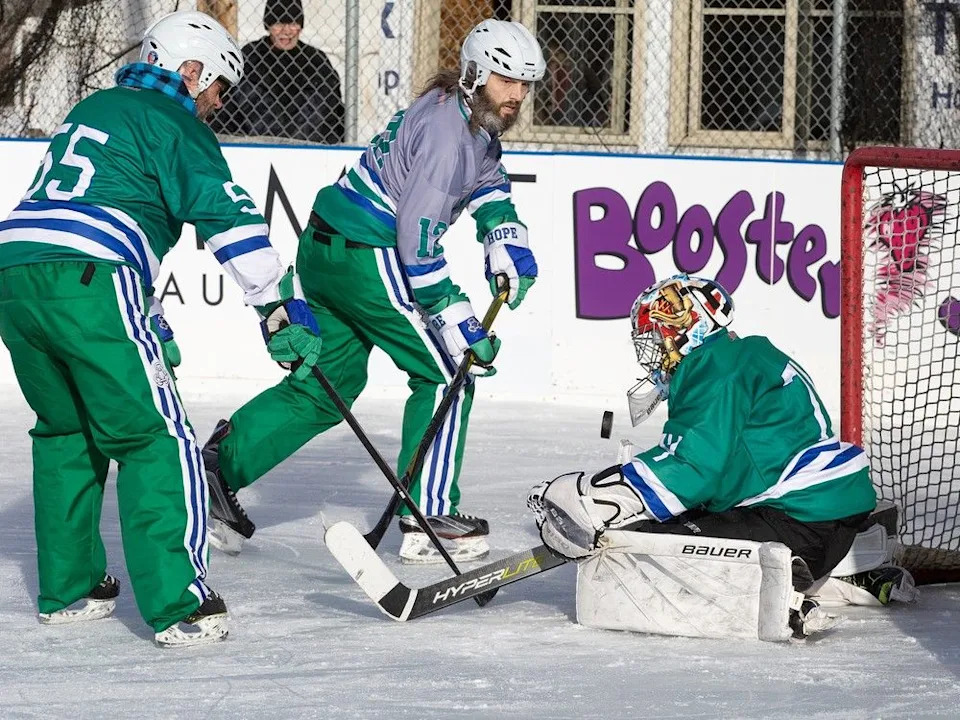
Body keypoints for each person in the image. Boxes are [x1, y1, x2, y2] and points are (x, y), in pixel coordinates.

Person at [0, 11, 321, 647]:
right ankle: (182, 605)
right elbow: (228, 218)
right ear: (191, 71)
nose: (217, 105)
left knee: (67, 429)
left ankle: (69, 590)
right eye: (218, 88)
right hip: (91, 274)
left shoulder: (101, 107)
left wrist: (148, 319)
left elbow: (103, 206)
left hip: (16, 271)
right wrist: (277, 305)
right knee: (157, 436)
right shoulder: (173, 120)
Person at [202, 19, 545, 563]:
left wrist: (503, 236)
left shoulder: (457, 111)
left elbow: (487, 178)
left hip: (325, 247)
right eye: (507, 81)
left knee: (328, 384)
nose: (518, 94)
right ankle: (427, 515)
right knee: (447, 372)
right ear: (478, 73)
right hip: (368, 254)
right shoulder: (447, 136)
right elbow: (418, 242)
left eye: (527, 84)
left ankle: (219, 468)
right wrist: (454, 315)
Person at [528, 275, 915, 640]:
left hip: (798, 519)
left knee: (637, 546)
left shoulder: (714, 368)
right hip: (825, 514)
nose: (652, 349)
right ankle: (843, 576)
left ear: (687, 326)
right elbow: (724, 468)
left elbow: (693, 469)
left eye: (657, 333)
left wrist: (598, 502)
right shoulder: (740, 354)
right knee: (680, 518)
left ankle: (786, 595)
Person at [210, 0, 344, 144]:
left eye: (293, 23)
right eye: (278, 24)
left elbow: (334, 115)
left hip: (309, 148)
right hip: (253, 147)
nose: (286, 31)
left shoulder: (317, 61)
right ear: (268, 26)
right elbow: (227, 110)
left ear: (301, 26)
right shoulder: (250, 57)